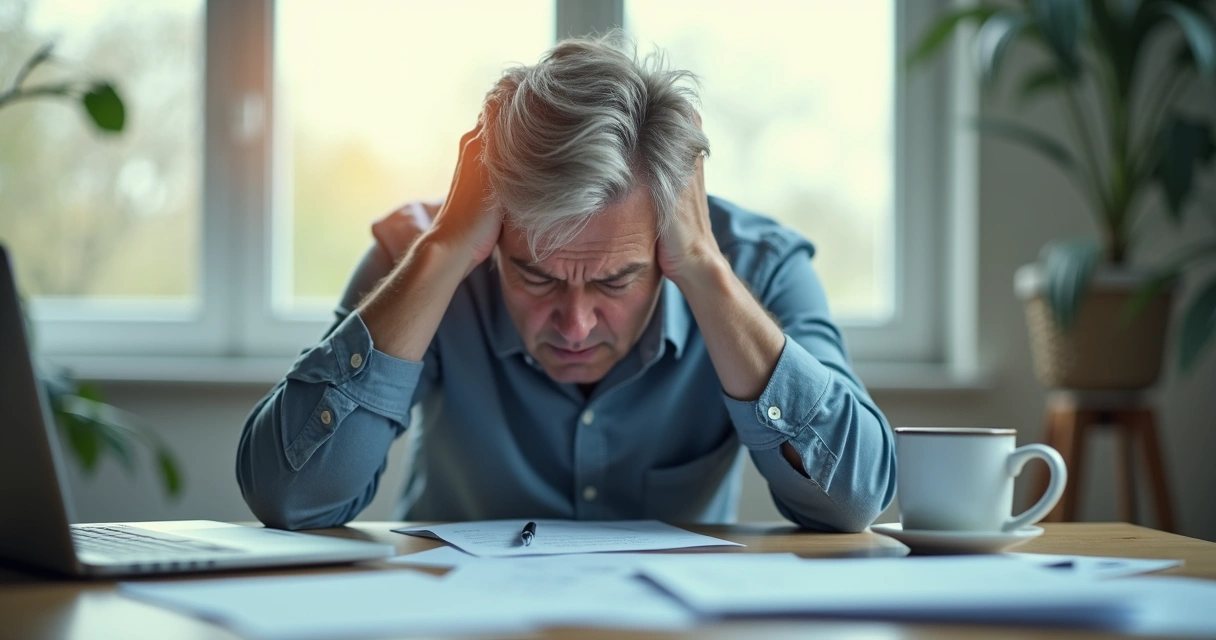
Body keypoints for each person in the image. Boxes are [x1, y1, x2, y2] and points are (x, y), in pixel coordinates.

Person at [236, 32, 895, 533]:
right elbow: (291, 498)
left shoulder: (758, 271)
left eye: (616, 280)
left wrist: (700, 265)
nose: (575, 324)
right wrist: (441, 254)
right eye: (534, 273)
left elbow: (854, 499)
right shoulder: (423, 260)